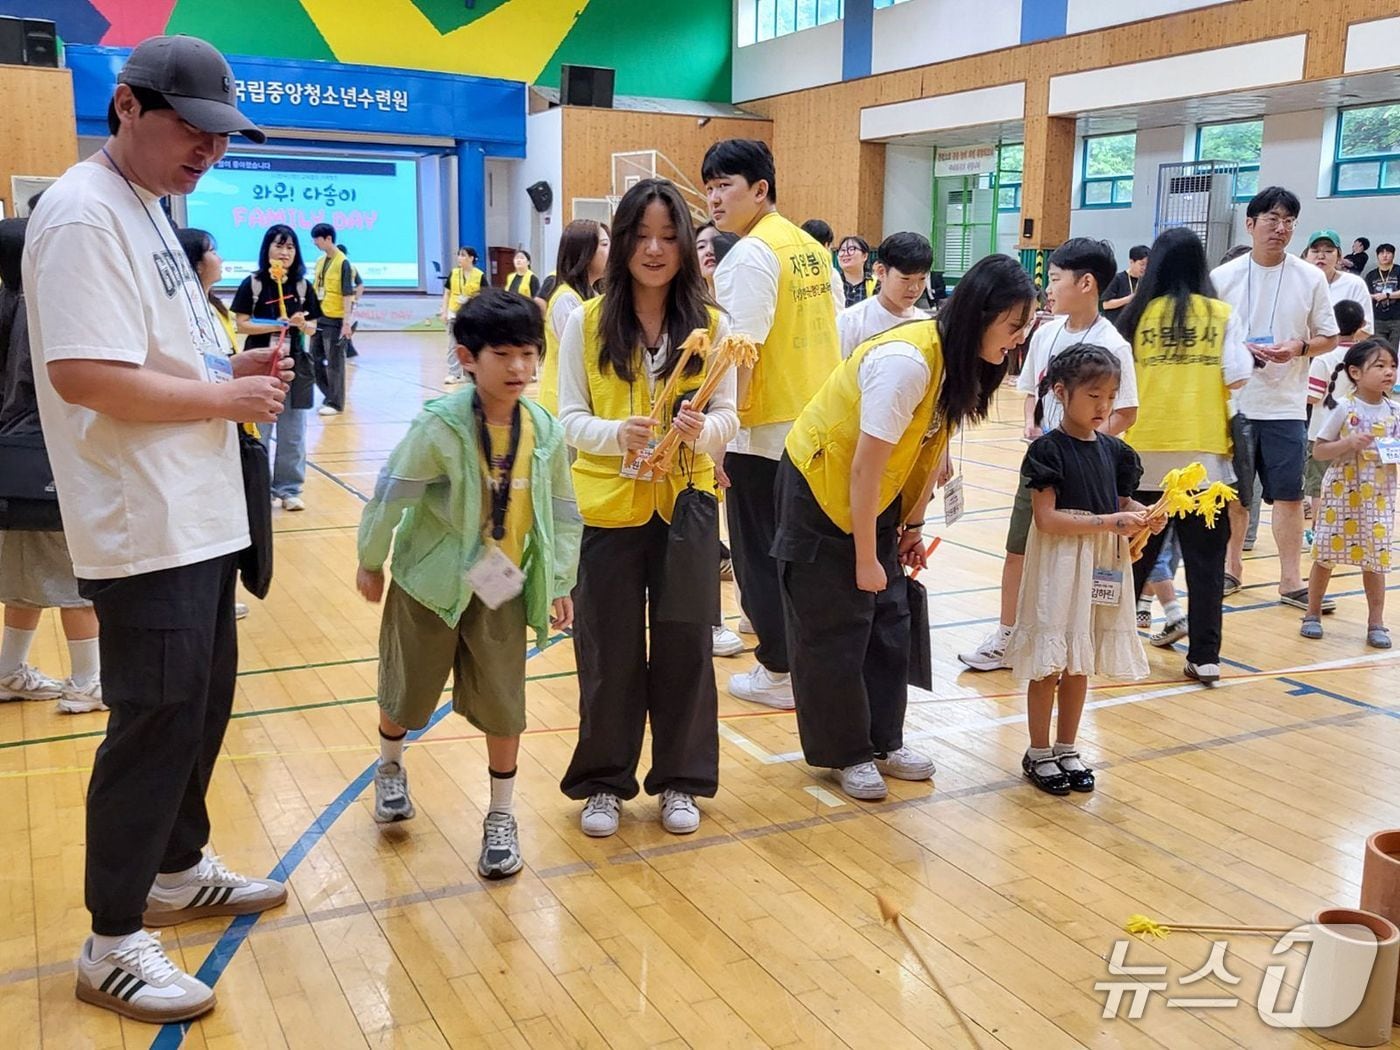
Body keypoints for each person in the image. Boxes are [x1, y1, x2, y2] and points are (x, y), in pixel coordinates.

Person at [24, 34, 293, 1023]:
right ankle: (112, 940)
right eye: (191, 128)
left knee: (200, 705)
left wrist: (228, 374)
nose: (208, 152)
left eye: (220, 137)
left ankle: (177, 870)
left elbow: (152, 353)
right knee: (153, 723)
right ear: (128, 107)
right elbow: (86, 376)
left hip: (196, 514)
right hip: (143, 524)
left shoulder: (145, 209)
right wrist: (226, 405)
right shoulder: (85, 217)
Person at [778, 254, 1036, 800]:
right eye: (1012, 328)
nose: (1017, 342)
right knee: (837, 624)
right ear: (980, 315)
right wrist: (868, 558)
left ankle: (883, 740)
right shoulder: (907, 362)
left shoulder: (960, 366)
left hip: (877, 496)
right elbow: (863, 468)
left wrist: (912, 527)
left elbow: (928, 449)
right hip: (821, 485)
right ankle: (846, 754)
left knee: (890, 617)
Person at [355, 288, 579, 875]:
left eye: (529, 354)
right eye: (504, 354)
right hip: (431, 584)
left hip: (501, 586)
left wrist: (558, 582)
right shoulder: (440, 428)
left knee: (506, 705)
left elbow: (565, 510)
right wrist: (371, 558)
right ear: (467, 357)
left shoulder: (545, 431)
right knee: (407, 693)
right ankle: (390, 765)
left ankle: (501, 817)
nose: (520, 368)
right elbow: (391, 493)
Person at [557, 178, 737, 838]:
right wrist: (616, 434)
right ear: (622, 240)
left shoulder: (713, 326)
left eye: (669, 236)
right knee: (608, 649)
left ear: (686, 244)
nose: (655, 250)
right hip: (608, 509)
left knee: (688, 641)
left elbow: (729, 416)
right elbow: (568, 417)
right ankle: (605, 782)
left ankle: (681, 780)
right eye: (642, 236)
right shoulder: (587, 321)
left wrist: (704, 433)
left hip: (685, 508)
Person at [702, 138, 841, 710]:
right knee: (795, 552)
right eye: (708, 186)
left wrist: (715, 434)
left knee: (759, 552)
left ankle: (778, 669)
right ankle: (799, 661)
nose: (713, 197)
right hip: (813, 421)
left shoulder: (750, 256)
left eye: (725, 185)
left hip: (761, 432)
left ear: (760, 190)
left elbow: (738, 350)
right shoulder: (808, 246)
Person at [959, 237, 1138, 672]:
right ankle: (1007, 635)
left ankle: (1069, 641)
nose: (1049, 288)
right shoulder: (1047, 331)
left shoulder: (1113, 346)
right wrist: (1033, 425)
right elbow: (1030, 392)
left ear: (1087, 283)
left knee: (1076, 561)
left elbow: (1126, 412)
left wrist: (1082, 448)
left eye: (1055, 279)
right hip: (1043, 464)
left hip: (1083, 468)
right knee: (1018, 548)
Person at [1006, 345, 1154, 794]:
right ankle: (1038, 750)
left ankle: (1067, 746)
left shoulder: (1114, 451)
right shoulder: (1048, 450)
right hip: (1059, 562)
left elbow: (1118, 501)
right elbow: (1047, 518)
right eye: (1093, 396)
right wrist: (1110, 522)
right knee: (1049, 662)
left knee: (1078, 660)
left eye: (1110, 395)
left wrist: (1141, 512)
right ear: (1060, 392)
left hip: (1099, 564)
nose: (1104, 406)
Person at [1117, 226, 1254, 682]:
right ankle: (1205, 656)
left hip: (1142, 454)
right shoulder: (1221, 314)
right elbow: (1237, 377)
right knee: (1206, 565)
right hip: (1205, 463)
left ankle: (1115, 649)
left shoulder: (1134, 317)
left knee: (1132, 556)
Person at [1211, 187, 1339, 608]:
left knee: (1288, 494)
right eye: (1272, 219)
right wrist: (1240, 352)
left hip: (1286, 404)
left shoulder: (1310, 277)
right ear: (1250, 225)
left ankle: (1290, 580)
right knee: (1235, 494)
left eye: (1288, 221)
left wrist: (1298, 348)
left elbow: (1330, 336)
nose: (1280, 229)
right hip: (1236, 404)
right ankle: (1231, 569)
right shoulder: (1221, 278)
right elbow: (1211, 340)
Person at [0, 216, 104, 713]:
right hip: (43, 462)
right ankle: (87, 682)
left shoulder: (5, 304)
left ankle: (8, 672)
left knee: (25, 576)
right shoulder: (35, 312)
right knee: (75, 580)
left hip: (9, 464)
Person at [1301, 338, 1398, 648]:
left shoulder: (1395, 411)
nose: (1389, 372)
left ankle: (1376, 622)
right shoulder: (1344, 407)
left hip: (1379, 497)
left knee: (1377, 559)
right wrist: (1348, 444)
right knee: (1326, 553)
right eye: (1380, 365)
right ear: (1355, 372)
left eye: (1393, 366)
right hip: (1342, 495)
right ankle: (1312, 613)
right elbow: (1319, 450)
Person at [231, 224, 320, 512]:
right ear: (267, 248)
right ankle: (259, 487)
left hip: (294, 366)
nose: (284, 253)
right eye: (279, 246)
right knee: (259, 428)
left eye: (290, 247)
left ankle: (289, 489)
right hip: (258, 365)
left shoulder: (302, 286)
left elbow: (314, 326)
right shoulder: (253, 283)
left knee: (293, 431)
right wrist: (277, 324)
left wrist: (302, 325)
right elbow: (242, 322)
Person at [538, 220, 609, 413]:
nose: (610, 251)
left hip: (581, 400)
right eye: (604, 244)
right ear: (584, 253)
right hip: (562, 404)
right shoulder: (566, 299)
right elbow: (586, 354)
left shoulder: (593, 295)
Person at [837, 231, 931, 358]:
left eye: (922, 279)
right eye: (905, 279)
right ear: (881, 272)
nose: (914, 288)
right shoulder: (851, 321)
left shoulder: (926, 324)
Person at [310, 221, 355, 416]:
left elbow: (347, 294)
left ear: (328, 238)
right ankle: (329, 395)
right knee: (314, 359)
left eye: (317, 240)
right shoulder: (320, 262)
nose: (315, 244)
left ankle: (336, 403)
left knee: (335, 362)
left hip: (335, 319)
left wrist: (346, 322)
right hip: (319, 317)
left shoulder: (343, 262)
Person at [1306, 229, 1374, 331]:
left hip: (1343, 346)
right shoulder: (1296, 283)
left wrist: (1327, 340)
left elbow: (1366, 329)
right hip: (1301, 346)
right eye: (1315, 251)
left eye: (1328, 251)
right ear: (1306, 255)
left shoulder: (1354, 284)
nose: (1321, 256)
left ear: (1339, 256)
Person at [442, 246, 485, 384]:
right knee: (453, 344)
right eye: (459, 255)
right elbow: (447, 293)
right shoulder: (454, 273)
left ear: (471, 258)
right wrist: (444, 311)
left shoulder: (479, 275)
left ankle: (469, 373)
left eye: (463, 255)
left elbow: (484, 294)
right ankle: (453, 373)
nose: (460, 258)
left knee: (471, 344)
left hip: (471, 314)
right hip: (454, 313)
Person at [1100, 244, 1149, 325]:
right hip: (1116, 326)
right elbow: (1105, 305)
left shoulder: (1145, 282)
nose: (1144, 268)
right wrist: (1128, 299)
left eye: (1147, 264)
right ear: (1131, 262)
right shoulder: (1117, 279)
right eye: (1142, 264)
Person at [1366, 243, 1400, 348]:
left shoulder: (1398, 270)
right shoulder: (1371, 275)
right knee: (1378, 350)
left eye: (1388, 253)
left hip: (1397, 318)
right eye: (1381, 253)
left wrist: (1387, 295)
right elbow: (1366, 294)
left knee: (1394, 351)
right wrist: (1375, 296)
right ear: (1377, 256)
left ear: (1393, 255)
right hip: (1377, 318)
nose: (1385, 255)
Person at [836, 234, 876, 309]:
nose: (845, 254)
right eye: (842, 250)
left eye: (851, 249)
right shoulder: (833, 283)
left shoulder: (877, 283)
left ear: (865, 256)